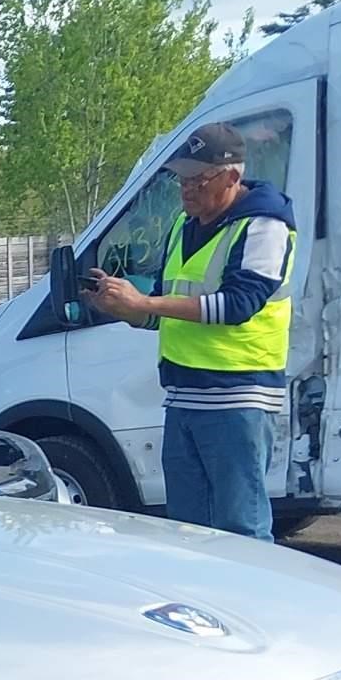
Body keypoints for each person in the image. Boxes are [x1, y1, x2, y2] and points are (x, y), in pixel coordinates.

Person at [80, 123, 297, 539]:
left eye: (198, 179)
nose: (186, 189)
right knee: (187, 532)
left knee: (241, 529)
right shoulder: (184, 226)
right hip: (184, 398)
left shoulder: (264, 226)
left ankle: (249, 605)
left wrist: (145, 303)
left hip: (237, 397)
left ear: (232, 177)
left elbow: (239, 305)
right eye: (182, 178)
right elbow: (170, 309)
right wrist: (125, 310)